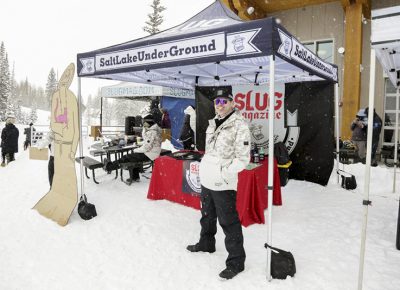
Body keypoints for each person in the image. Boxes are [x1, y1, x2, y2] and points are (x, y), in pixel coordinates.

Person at [187, 86, 251, 280]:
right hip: (207, 179)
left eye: (224, 101)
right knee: (207, 216)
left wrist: (223, 173)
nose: (220, 105)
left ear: (232, 103)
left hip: (223, 183)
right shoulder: (212, 123)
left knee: (228, 222)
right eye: (217, 102)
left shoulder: (240, 125)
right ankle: (206, 243)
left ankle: (236, 262)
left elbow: (243, 159)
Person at [33, 63, 80, 226]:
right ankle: (55, 199)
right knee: (53, 178)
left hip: (65, 155)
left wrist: (72, 151)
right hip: (54, 156)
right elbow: (50, 134)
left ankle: (65, 204)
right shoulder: (56, 116)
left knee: (64, 181)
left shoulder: (71, 104)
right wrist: (41, 145)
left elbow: (75, 131)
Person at [104, 114, 162, 185]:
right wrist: (140, 144)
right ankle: (135, 177)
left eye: (144, 122)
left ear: (148, 122)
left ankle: (109, 166)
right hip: (153, 152)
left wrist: (136, 149)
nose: (143, 123)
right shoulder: (153, 130)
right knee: (133, 157)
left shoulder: (151, 132)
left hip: (150, 154)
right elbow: (149, 142)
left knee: (127, 157)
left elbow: (147, 147)